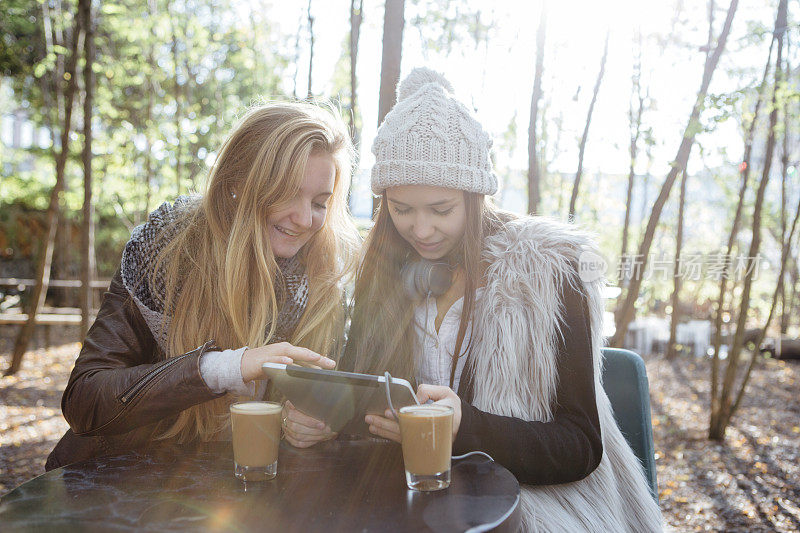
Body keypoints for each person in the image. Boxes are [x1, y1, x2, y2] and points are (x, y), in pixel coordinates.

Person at [287, 68, 663, 531]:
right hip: (412, 498)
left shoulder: (549, 270)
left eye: (441, 210)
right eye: (402, 210)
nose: (420, 230)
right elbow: (366, 394)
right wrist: (325, 420)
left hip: (532, 505)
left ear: (475, 196)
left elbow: (580, 445)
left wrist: (464, 426)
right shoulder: (383, 269)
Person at [46, 101, 359, 470]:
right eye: (289, 193)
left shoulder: (323, 279)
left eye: (320, 202)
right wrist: (226, 368)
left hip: (239, 495)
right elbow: (85, 400)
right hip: (116, 488)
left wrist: (312, 425)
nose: (305, 219)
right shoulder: (165, 251)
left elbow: (331, 408)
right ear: (238, 184)